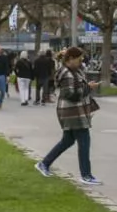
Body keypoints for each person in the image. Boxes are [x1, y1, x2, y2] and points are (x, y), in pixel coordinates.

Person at [35, 46, 100, 184]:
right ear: (70, 59)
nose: (81, 61)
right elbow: (71, 94)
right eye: (79, 59)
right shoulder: (67, 73)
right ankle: (86, 175)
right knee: (84, 142)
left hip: (73, 111)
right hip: (73, 112)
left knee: (68, 141)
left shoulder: (73, 71)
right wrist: (88, 88)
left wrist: (87, 86)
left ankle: (44, 163)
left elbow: (75, 90)